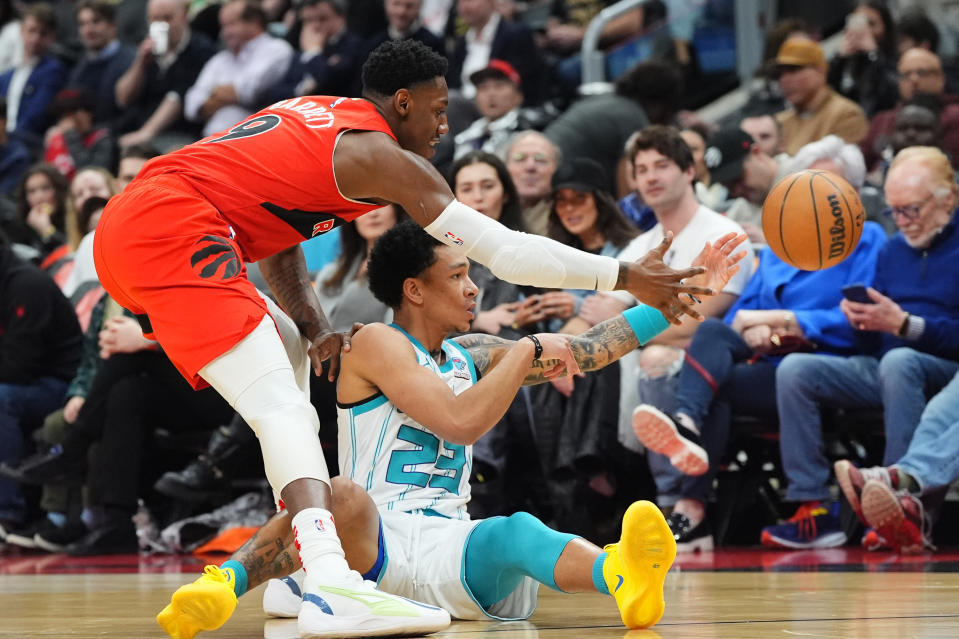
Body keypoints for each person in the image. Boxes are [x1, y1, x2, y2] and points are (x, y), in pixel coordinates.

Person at [86, 38, 709, 639]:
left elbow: (276, 240)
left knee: (289, 357)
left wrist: (316, 327)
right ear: (403, 102)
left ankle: (298, 569)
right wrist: (624, 274)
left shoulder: (312, 121)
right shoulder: (376, 157)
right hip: (173, 223)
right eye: (439, 110)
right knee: (285, 409)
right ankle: (332, 584)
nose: (445, 126)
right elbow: (506, 252)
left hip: (141, 224)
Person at [156, 220, 746, 638]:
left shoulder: (474, 353)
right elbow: (461, 423)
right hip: (371, 544)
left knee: (514, 532)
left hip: (445, 542)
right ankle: (226, 584)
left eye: (472, 275)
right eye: (459, 276)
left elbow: (590, 349)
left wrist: (680, 298)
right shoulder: (374, 342)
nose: (474, 288)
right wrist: (524, 354)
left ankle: (620, 574)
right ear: (414, 289)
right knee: (343, 495)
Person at [760, 146, 959, 550]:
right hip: (886, 362)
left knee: (900, 361)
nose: (902, 222)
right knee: (797, 369)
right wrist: (863, 322)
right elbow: (871, 342)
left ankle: (902, 505)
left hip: (943, 364)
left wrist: (906, 326)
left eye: (912, 210)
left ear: (948, 200)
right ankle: (811, 506)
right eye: (894, 211)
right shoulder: (891, 249)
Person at [0, 230, 82, 539]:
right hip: (25, 381)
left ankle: (7, 512)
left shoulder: (26, 284)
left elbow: (18, 367)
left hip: (60, 383)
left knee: (1, 399)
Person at [774, 36, 869, 155]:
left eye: (794, 69)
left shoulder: (847, 114)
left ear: (820, 71)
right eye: (779, 73)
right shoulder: (780, 122)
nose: (784, 79)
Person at [504, 130, 560, 236]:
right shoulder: (490, 212)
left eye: (541, 159)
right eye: (519, 158)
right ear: (505, 168)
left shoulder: (569, 218)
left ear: (556, 169)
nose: (530, 167)